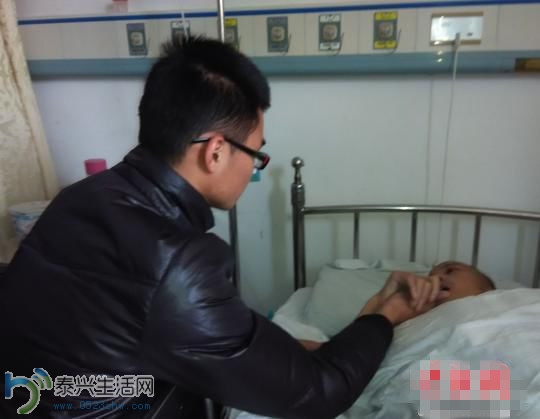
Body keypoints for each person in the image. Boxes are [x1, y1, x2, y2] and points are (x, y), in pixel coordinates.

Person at [0, 36, 439, 419]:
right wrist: (385, 313)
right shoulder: (177, 262)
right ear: (215, 152)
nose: (253, 169)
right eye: (256, 155)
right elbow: (320, 393)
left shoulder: (84, 195)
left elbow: (186, 327)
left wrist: (312, 346)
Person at [299, 260, 496, 351]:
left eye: (451, 270)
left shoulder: (507, 313)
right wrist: (382, 302)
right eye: (431, 277)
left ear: (486, 289)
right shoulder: (409, 325)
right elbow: (339, 359)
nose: (435, 279)